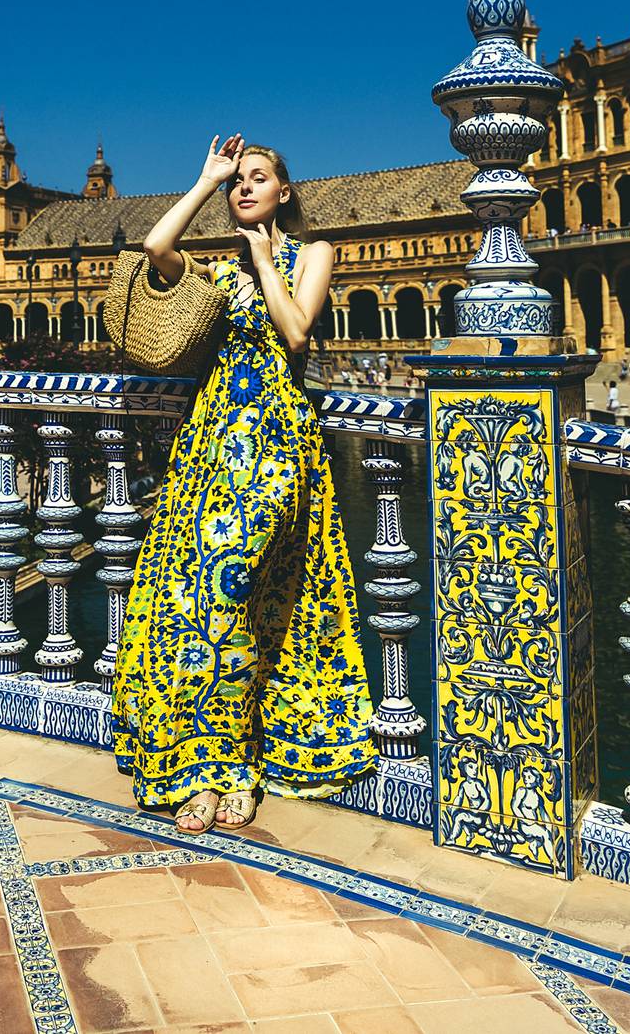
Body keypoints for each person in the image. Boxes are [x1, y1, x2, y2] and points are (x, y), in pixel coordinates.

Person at [112, 134, 375, 833]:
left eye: (258, 177)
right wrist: (205, 180)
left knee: (236, 595)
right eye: (239, 181)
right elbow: (155, 248)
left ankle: (237, 765)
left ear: (284, 192)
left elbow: (296, 333)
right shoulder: (215, 272)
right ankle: (206, 769)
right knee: (194, 604)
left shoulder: (312, 254)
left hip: (277, 444)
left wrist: (263, 260)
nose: (245, 187)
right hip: (210, 444)